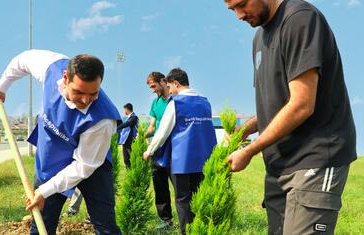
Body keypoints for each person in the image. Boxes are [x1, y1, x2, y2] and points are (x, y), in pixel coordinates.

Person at [223, 0, 357, 234]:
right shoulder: (259, 38)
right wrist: (245, 129)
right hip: (279, 166)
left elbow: (301, 104)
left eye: (242, 4)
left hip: (314, 159)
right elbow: (278, 103)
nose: (239, 15)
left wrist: (250, 150)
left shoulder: (300, 19)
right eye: (232, 9)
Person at [0, 49, 122, 235]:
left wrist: (45, 191)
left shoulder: (103, 120)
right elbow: (23, 60)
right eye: (78, 92)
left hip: (92, 168)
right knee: (42, 223)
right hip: (52, 159)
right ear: (66, 77)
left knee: (105, 225)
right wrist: (2, 86)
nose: (85, 100)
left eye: (93, 94)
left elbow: (84, 166)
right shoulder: (52, 67)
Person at [143, 68, 217, 235]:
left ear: (175, 83)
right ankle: (200, 229)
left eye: (169, 86)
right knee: (198, 196)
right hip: (204, 158)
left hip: (182, 159)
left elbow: (162, 132)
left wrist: (150, 150)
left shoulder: (175, 103)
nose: (169, 90)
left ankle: (187, 231)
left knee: (183, 199)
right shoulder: (205, 102)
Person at [144, 71, 174, 230]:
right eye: (150, 87)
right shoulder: (155, 104)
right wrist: (143, 135)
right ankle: (166, 220)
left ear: (163, 81)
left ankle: (188, 218)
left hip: (173, 148)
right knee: (159, 186)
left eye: (154, 86)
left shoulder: (175, 100)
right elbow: (152, 126)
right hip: (157, 149)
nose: (152, 89)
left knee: (179, 185)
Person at [117, 103, 139, 169]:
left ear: (127, 109)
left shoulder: (134, 117)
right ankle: (128, 174)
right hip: (125, 141)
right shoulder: (129, 118)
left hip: (130, 141)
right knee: (126, 159)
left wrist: (118, 127)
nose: (124, 111)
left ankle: (132, 173)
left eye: (124, 110)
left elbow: (127, 124)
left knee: (131, 158)